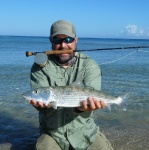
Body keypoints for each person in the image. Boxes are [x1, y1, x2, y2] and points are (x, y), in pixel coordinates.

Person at [29, 20, 114, 150]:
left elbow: (93, 93)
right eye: (57, 40)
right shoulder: (39, 67)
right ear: (51, 41)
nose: (63, 45)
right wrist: (41, 107)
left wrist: (82, 108)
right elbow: (42, 102)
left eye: (68, 39)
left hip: (85, 132)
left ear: (76, 40)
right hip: (53, 133)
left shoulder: (89, 65)